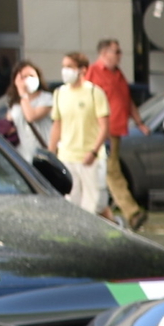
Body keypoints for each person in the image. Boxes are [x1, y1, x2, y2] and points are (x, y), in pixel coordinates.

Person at [86, 38, 146, 229]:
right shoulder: (93, 73)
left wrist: (139, 122)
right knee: (112, 171)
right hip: (102, 131)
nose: (120, 56)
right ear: (104, 54)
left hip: (116, 131)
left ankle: (104, 214)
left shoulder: (118, 74)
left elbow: (127, 101)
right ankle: (132, 212)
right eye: (116, 52)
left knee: (106, 172)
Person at [51, 52, 111, 218]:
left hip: (89, 158)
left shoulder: (94, 93)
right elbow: (57, 125)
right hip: (67, 156)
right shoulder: (59, 93)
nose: (65, 71)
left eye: (69, 67)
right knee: (71, 203)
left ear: (82, 70)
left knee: (92, 205)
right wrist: (51, 152)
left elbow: (104, 127)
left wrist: (93, 151)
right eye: (64, 66)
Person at [1, 60, 52, 159]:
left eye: (32, 76)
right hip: (22, 155)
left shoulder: (46, 98)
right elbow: (9, 123)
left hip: (42, 153)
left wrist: (23, 93)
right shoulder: (15, 103)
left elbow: (31, 116)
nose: (28, 79)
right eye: (23, 77)